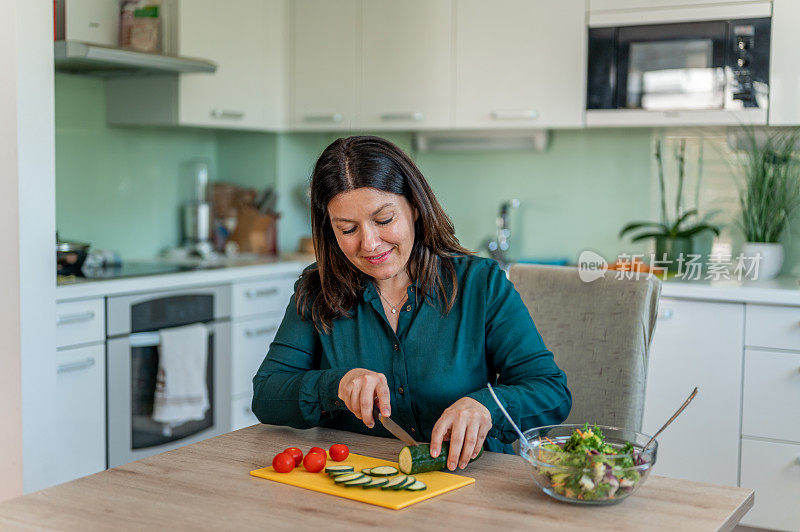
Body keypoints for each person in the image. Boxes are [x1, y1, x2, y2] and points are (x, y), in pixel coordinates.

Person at [252, 136, 571, 471]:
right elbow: (267, 394)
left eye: (385, 220)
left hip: (473, 483)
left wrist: (488, 406)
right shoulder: (316, 289)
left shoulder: (481, 283)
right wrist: (336, 384)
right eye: (348, 229)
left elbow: (551, 391)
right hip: (360, 484)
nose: (370, 243)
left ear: (415, 208)